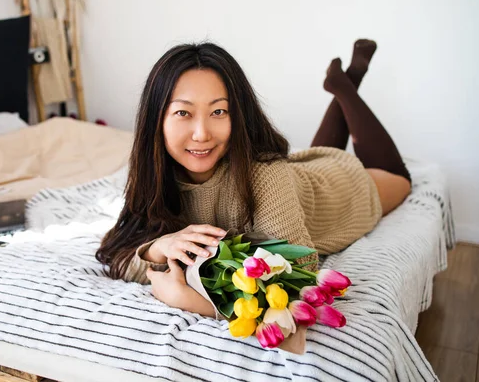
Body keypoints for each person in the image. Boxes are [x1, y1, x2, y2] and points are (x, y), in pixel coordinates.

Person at [96, 40, 411, 318]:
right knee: (320, 151)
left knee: (399, 177)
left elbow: (300, 277)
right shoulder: (157, 176)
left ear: (238, 115)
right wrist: (158, 248)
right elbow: (117, 254)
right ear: (156, 120)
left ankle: (345, 87)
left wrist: (195, 302)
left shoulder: (264, 175)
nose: (201, 133)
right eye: (183, 113)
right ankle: (342, 84)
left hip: (344, 191)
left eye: (219, 112)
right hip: (299, 179)